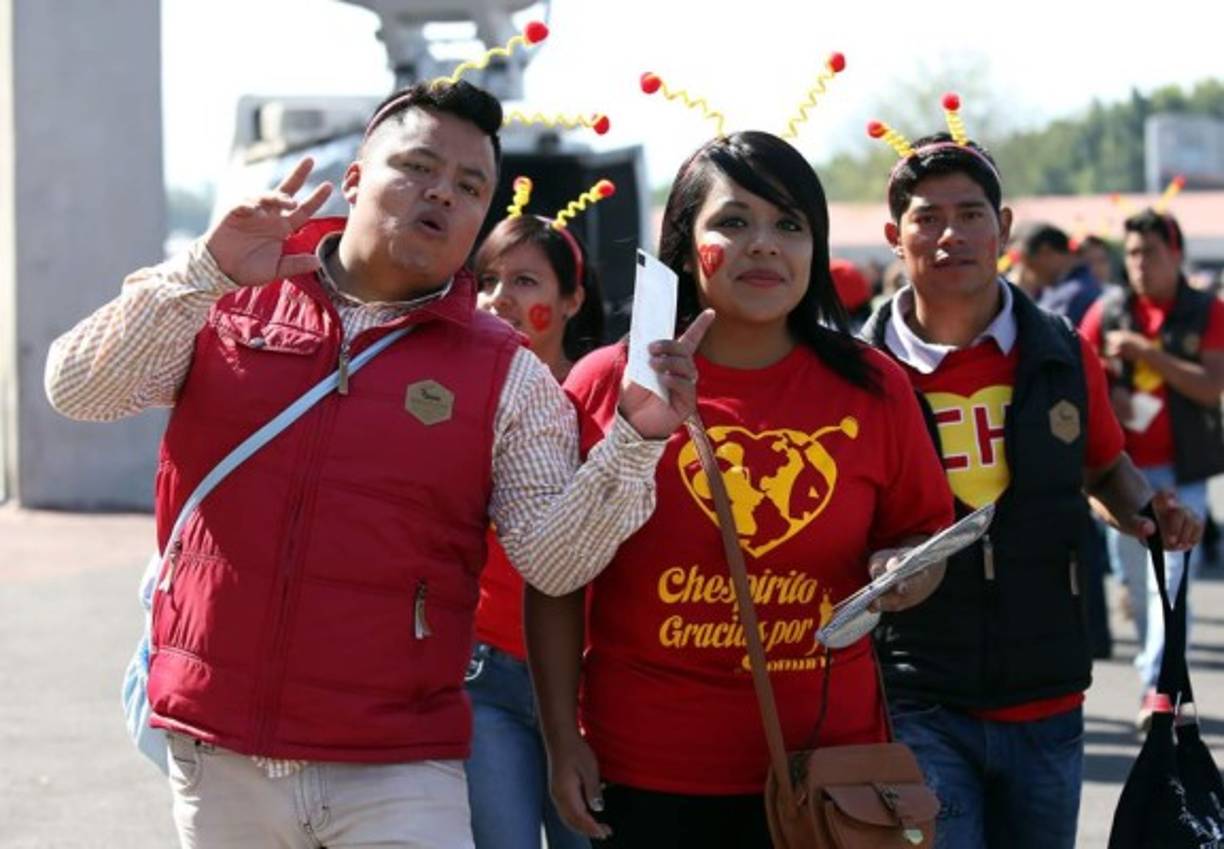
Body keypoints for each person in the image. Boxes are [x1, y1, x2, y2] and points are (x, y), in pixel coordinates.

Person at [44, 79, 711, 849]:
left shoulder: (508, 373)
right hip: (221, 749)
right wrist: (201, 271)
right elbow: (78, 389)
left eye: (469, 186)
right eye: (418, 168)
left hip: (399, 762)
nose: (442, 195)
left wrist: (635, 439)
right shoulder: (231, 295)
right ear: (355, 179)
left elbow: (552, 561)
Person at [527, 130, 956, 848]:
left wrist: (904, 574)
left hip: (830, 780)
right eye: (732, 221)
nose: (764, 244)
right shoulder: (607, 382)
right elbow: (555, 580)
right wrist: (559, 738)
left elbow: (925, 540)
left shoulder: (875, 385)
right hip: (646, 777)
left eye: (790, 224)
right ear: (684, 242)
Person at [860, 128, 1203, 849]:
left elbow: (1103, 465)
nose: (950, 233)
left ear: (1004, 227)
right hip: (914, 692)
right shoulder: (857, 370)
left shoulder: (1058, 348)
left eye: (971, 212)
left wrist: (1147, 510)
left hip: (1047, 691)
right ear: (896, 236)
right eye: (927, 217)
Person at [465, 200, 607, 849]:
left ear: (573, 299)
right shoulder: (449, 403)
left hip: (593, 688)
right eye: (488, 280)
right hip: (481, 679)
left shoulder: (606, 405)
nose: (499, 298)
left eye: (525, 281)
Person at [1079, 208, 1224, 728]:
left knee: (1174, 576)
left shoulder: (1206, 310)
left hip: (1183, 471)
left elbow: (1211, 386)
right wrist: (1107, 388)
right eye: (1133, 253)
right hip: (1118, 476)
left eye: (1152, 253)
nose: (1140, 264)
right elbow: (1079, 370)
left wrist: (1148, 354)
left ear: (1176, 254)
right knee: (1139, 589)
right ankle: (1158, 677)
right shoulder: (1109, 309)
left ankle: (1157, 688)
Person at [1016, 222, 1103, 324]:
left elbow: (1043, 333)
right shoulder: (1057, 288)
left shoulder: (1075, 293)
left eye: (1028, 265)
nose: (1027, 274)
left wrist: (1021, 296)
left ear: (1045, 252)